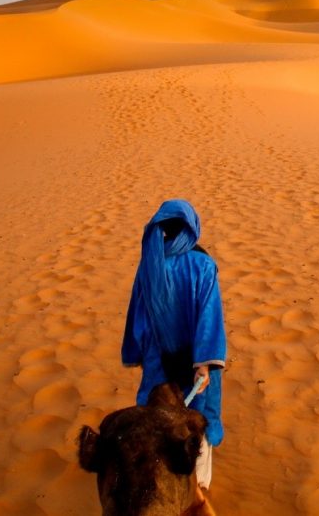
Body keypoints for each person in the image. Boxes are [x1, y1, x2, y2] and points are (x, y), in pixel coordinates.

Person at [121, 199, 227, 490]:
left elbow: (138, 318)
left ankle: (159, 483)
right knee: (200, 421)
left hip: (158, 361)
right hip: (197, 364)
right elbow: (210, 315)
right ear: (192, 227)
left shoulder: (149, 267)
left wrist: (138, 352)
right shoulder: (203, 265)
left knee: (157, 420)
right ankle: (199, 489)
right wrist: (205, 363)